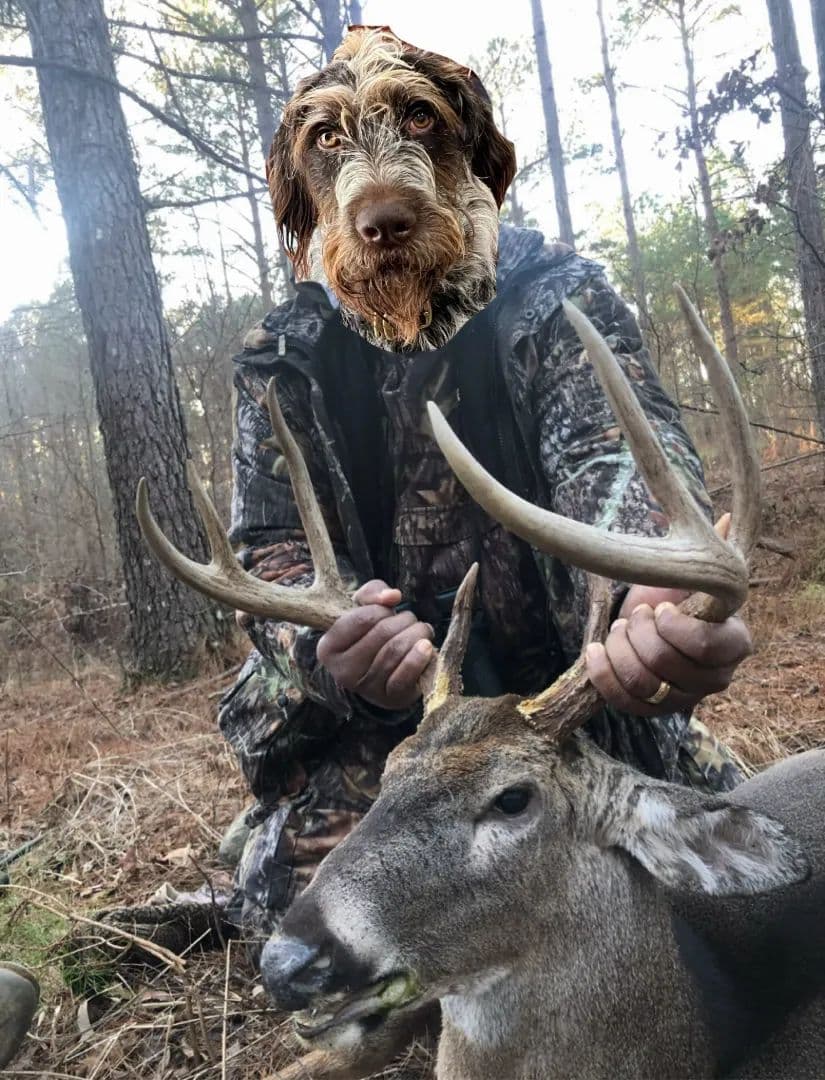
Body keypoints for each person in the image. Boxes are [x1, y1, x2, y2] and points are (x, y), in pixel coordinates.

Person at [212, 28, 751, 948]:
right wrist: (329, 648)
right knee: (319, 936)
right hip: (393, 736)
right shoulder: (283, 362)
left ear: (475, 165)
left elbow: (616, 459)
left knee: (712, 903)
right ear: (304, 198)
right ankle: (265, 830)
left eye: (419, 123)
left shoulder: (558, 306)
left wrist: (645, 600)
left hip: (567, 713)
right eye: (329, 143)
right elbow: (267, 545)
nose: (380, 197)